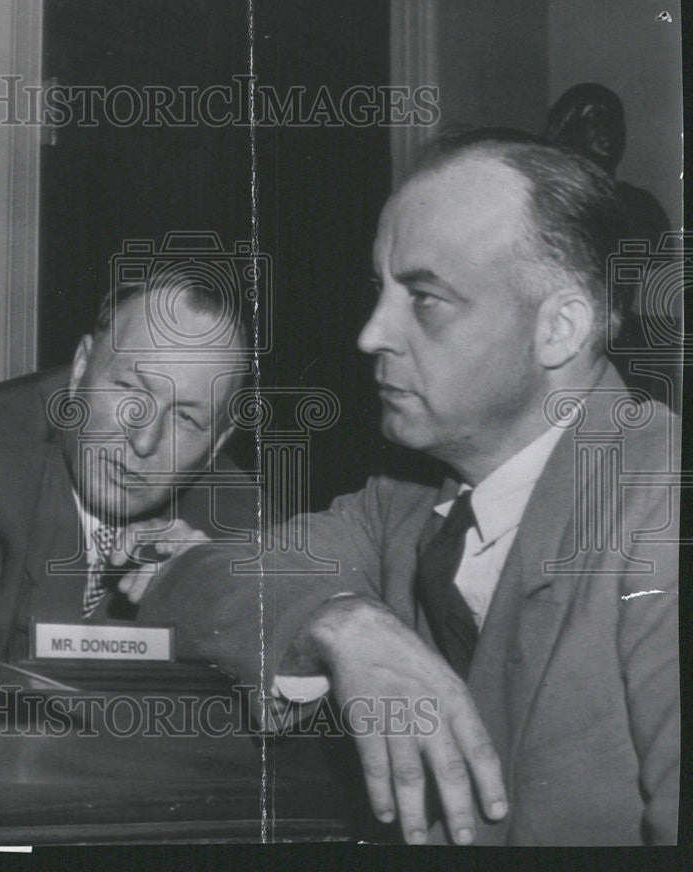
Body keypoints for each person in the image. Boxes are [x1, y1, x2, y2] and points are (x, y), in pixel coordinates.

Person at [136, 131, 679, 845]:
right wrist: (340, 623)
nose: (370, 335)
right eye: (379, 292)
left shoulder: (663, 498)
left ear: (560, 328)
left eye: (425, 298)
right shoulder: (407, 502)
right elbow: (185, 580)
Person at [0, 266, 258, 660]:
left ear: (218, 439)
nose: (144, 439)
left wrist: (213, 602)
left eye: (186, 418)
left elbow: (285, 698)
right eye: (130, 389)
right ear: (81, 367)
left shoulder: (243, 529)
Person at [545, 83, 678, 408]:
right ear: (565, 128)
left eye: (614, 118)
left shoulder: (641, 206)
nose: (608, 128)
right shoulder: (546, 204)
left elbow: (660, 296)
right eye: (593, 117)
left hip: (627, 356)